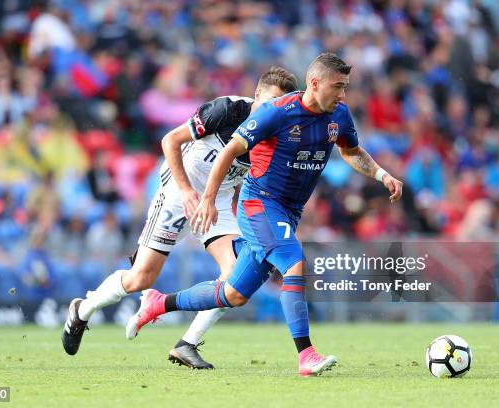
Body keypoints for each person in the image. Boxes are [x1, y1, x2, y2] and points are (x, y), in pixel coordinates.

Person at [125, 53, 404, 377]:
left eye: (345, 87)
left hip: (289, 211)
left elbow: (351, 151)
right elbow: (230, 150)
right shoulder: (277, 113)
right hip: (259, 205)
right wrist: (209, 199)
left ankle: (159, 303)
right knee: (294, 263)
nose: (343, 94)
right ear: (314, 83)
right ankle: (306, 355)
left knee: (234, 293)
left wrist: (382, 174)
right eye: (337, 86)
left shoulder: (338, 115)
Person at [62, 66, 299, 369]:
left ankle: (187, 344)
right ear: (256, 95)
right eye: (270, 101)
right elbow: (169, 141)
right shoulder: (226, 110)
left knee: (235, 280)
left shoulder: (275, 135)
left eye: (281, 104)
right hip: (179, 191)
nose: (273, 110)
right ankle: (83, 309)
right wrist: (187, 191)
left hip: (218, 200)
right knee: (141, 278)